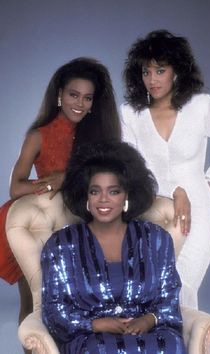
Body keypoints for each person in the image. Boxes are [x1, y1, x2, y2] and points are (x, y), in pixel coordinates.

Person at [0, 57, 121, 343]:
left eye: (87, 97)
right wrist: (48, 183)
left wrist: (66, 177)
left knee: (77, 305)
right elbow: (15, 187)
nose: (80, 103)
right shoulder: (38, 135)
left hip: (77, 223)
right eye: (73, 94)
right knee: (33, 304)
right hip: (35, 225)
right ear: (59, 95)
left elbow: (110, 178)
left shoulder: (99, 135)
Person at [121, 29, 210, 309]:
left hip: (198, 208)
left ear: (177, 71)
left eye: (160, 70)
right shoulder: (131, 114)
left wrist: (208, 178)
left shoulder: (199, 107)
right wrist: (173, 193)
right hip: (151, 208)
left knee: (185, 284)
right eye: (146, 72)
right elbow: (130, 167)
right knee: (156, 286)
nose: (152, 79)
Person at [41, 141, 186, 354]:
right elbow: (53, 310)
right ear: (86, 197)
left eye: (114, 191)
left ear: (126, 195)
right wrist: (95, 324)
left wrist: (148, 320)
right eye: (95, 191)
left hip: (150, 336)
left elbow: (169, 296)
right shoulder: (62, 244)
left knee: (171, 345)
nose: (103, 200)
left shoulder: (155, 239)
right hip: (91, 339)